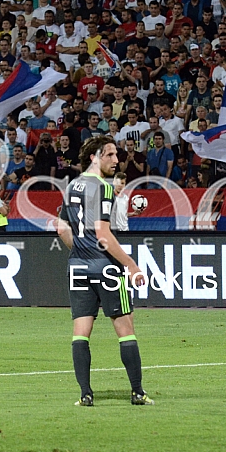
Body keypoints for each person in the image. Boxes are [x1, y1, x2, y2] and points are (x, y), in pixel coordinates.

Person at [56, 135, 152, 406]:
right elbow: (103, 234)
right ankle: (137, 392)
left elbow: (61, 227)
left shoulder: (71, 186)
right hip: (105, 267)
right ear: (94, 158)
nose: (116, 160)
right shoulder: (103, 187)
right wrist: (131, 266)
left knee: (80, 332)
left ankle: (85, 394)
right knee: (125, 328)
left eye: (116, 155)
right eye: (109, 155)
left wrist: (80, 250)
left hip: (77, 267)